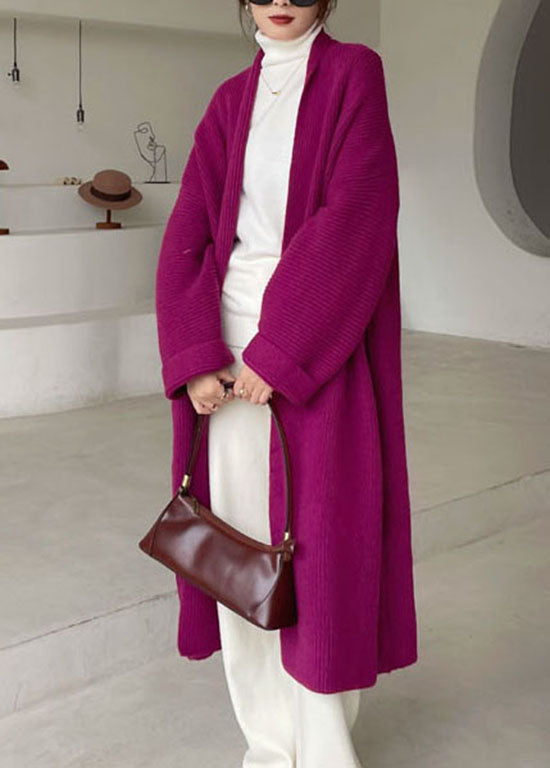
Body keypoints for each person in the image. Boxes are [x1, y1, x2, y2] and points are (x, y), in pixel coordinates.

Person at [155, 1, 418, 766]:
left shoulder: (353, 75)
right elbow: (189, 232)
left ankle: (325, 749)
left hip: (314, 348)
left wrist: (280, 351)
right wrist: (195, 354)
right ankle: (268, 748)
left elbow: (359, 213)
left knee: (320, 557)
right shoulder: (229, 100)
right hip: (225, 351)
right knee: (239, 555)